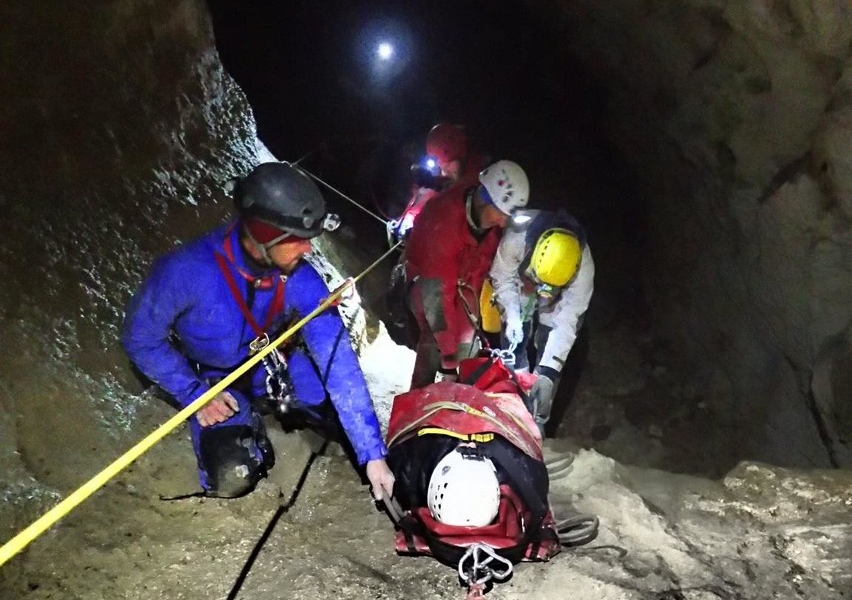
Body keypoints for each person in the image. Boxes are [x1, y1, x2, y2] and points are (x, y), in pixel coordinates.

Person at [122, 162, 395, 501]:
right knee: (232, 475)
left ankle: (282, 414)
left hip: (268, 365)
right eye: (298, 240)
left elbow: (337, 360)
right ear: (266, 234)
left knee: (327, 406)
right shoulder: (186, 271)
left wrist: (373, 455)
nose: (308, 250)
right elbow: (140, 339)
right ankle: (249, 425)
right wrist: (193, 394)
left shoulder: (300, 279)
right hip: (213, 379)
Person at [384, 355, 597, 567]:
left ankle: (483, 369)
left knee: (483, 378)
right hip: (496, 410)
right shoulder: (518, 472)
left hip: (472, 417)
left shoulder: (415, 464)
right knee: (499, 386)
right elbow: (534, 480)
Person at [403, 159, 530, 388]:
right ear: (485, 201)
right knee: (436, 341)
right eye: (501, 214)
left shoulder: (488, 224)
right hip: (423, 278)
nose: (503, 223)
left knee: (468, 342)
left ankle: (457, 400)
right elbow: (437, 300)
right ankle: (418, 397)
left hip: (462, 282)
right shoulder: (445, 223)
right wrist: (449, 361)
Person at [488, 207, 594, 433]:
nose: (541, 292)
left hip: (558, 296)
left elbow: (567, 322)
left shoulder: (583, 269)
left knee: (549, 346)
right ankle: (511, 405)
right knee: (513, 344)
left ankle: (538, 420)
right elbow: (502, 277)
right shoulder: (517, 238)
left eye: (547, 287)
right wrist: (513, 317)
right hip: (521, 283)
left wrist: (548, 372)